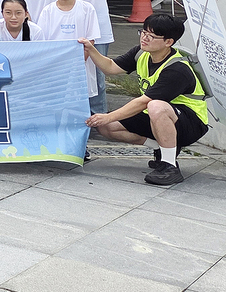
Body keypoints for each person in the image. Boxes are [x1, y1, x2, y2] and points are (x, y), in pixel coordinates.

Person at [82, 14, 209, 185]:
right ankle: (159, 146)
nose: (144, 38)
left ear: (168, 42)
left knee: (155, 105)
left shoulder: (177, 69)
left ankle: (170, 165)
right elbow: (111, 67)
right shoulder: (141, 53)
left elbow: (144, 101)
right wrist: (91, 49)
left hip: (190, 123)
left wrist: (108, 116)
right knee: (106, 126)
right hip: (156, 116)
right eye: (143, 32)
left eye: (152, 36)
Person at [61, 0, 113, 114]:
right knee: (69, 74)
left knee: (97, 75)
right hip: (69, 28)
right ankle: (74, 114)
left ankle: (99, 116)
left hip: (97, 29)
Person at [35, 0, 101, 107]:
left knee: (79, 102)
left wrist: (77, 64)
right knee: (56, 100)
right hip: (55, 66)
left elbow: (91, 39)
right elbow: (42, 41)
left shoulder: (87, 8)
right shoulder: (47, 11)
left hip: (80, 64)